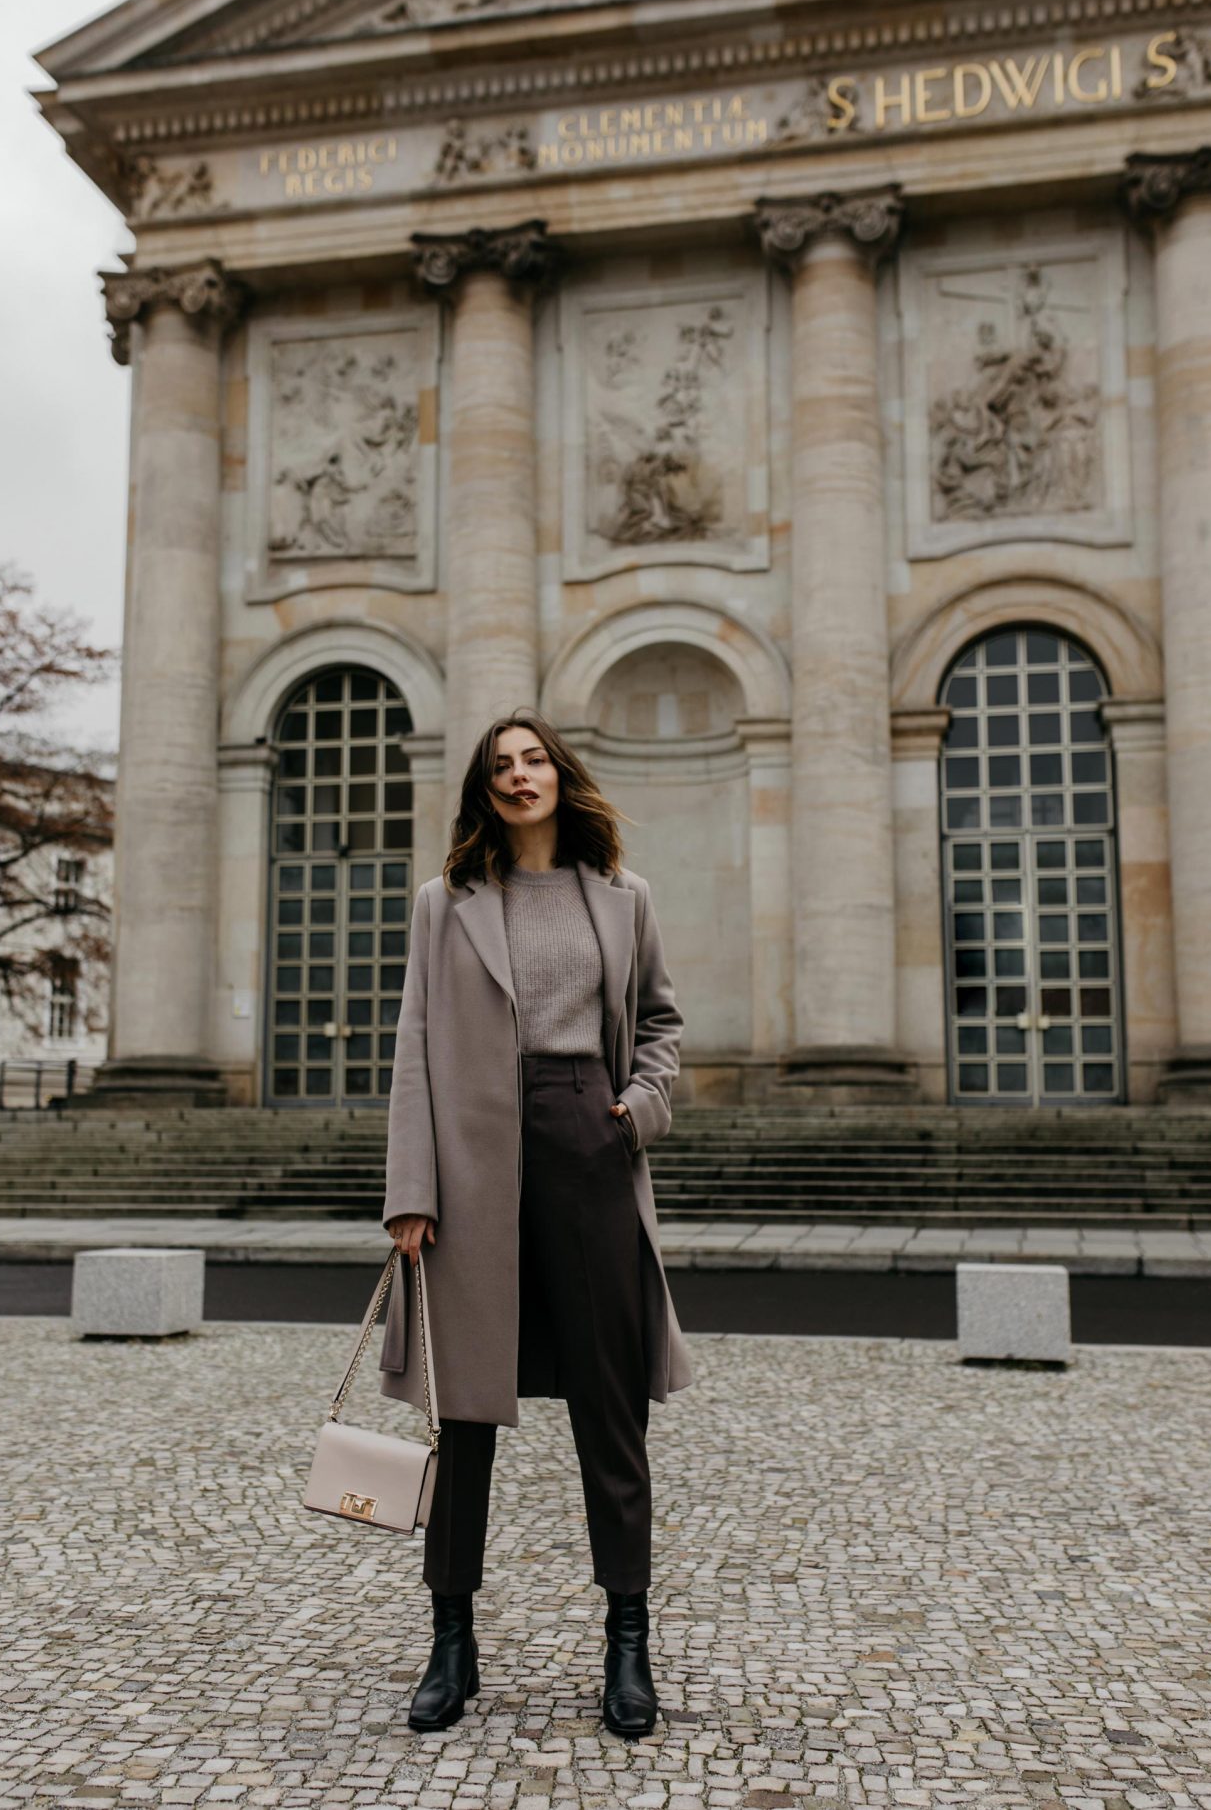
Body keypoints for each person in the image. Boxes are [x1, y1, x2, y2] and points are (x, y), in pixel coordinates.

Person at [378, 706, 695, 1738]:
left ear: (562, 773)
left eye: (536, 759)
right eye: (502, 765)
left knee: (611, 1404)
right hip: (472, 1159)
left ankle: (627, 1640)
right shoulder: (447, 900)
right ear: (484, 788)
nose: (521, 776)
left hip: (585, 1135)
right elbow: (415, 1044)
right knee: (463, 1414)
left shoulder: (623, 895)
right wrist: (410, 1192)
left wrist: (635, 1108)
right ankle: (450, 1642)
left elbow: (658, 1022)